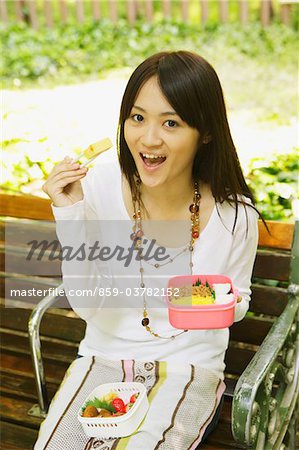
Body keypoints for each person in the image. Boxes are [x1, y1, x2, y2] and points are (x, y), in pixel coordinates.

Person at [36, 51, 259, 450]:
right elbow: (87, 306)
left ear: (205, 132)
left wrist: (189, 295)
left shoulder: (234, 216)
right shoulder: (100, 184)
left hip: (189, 369)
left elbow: (238, 301)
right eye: (137, 118)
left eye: (170, 122)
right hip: (101, 360)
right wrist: (69, 214)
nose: (149, 138)